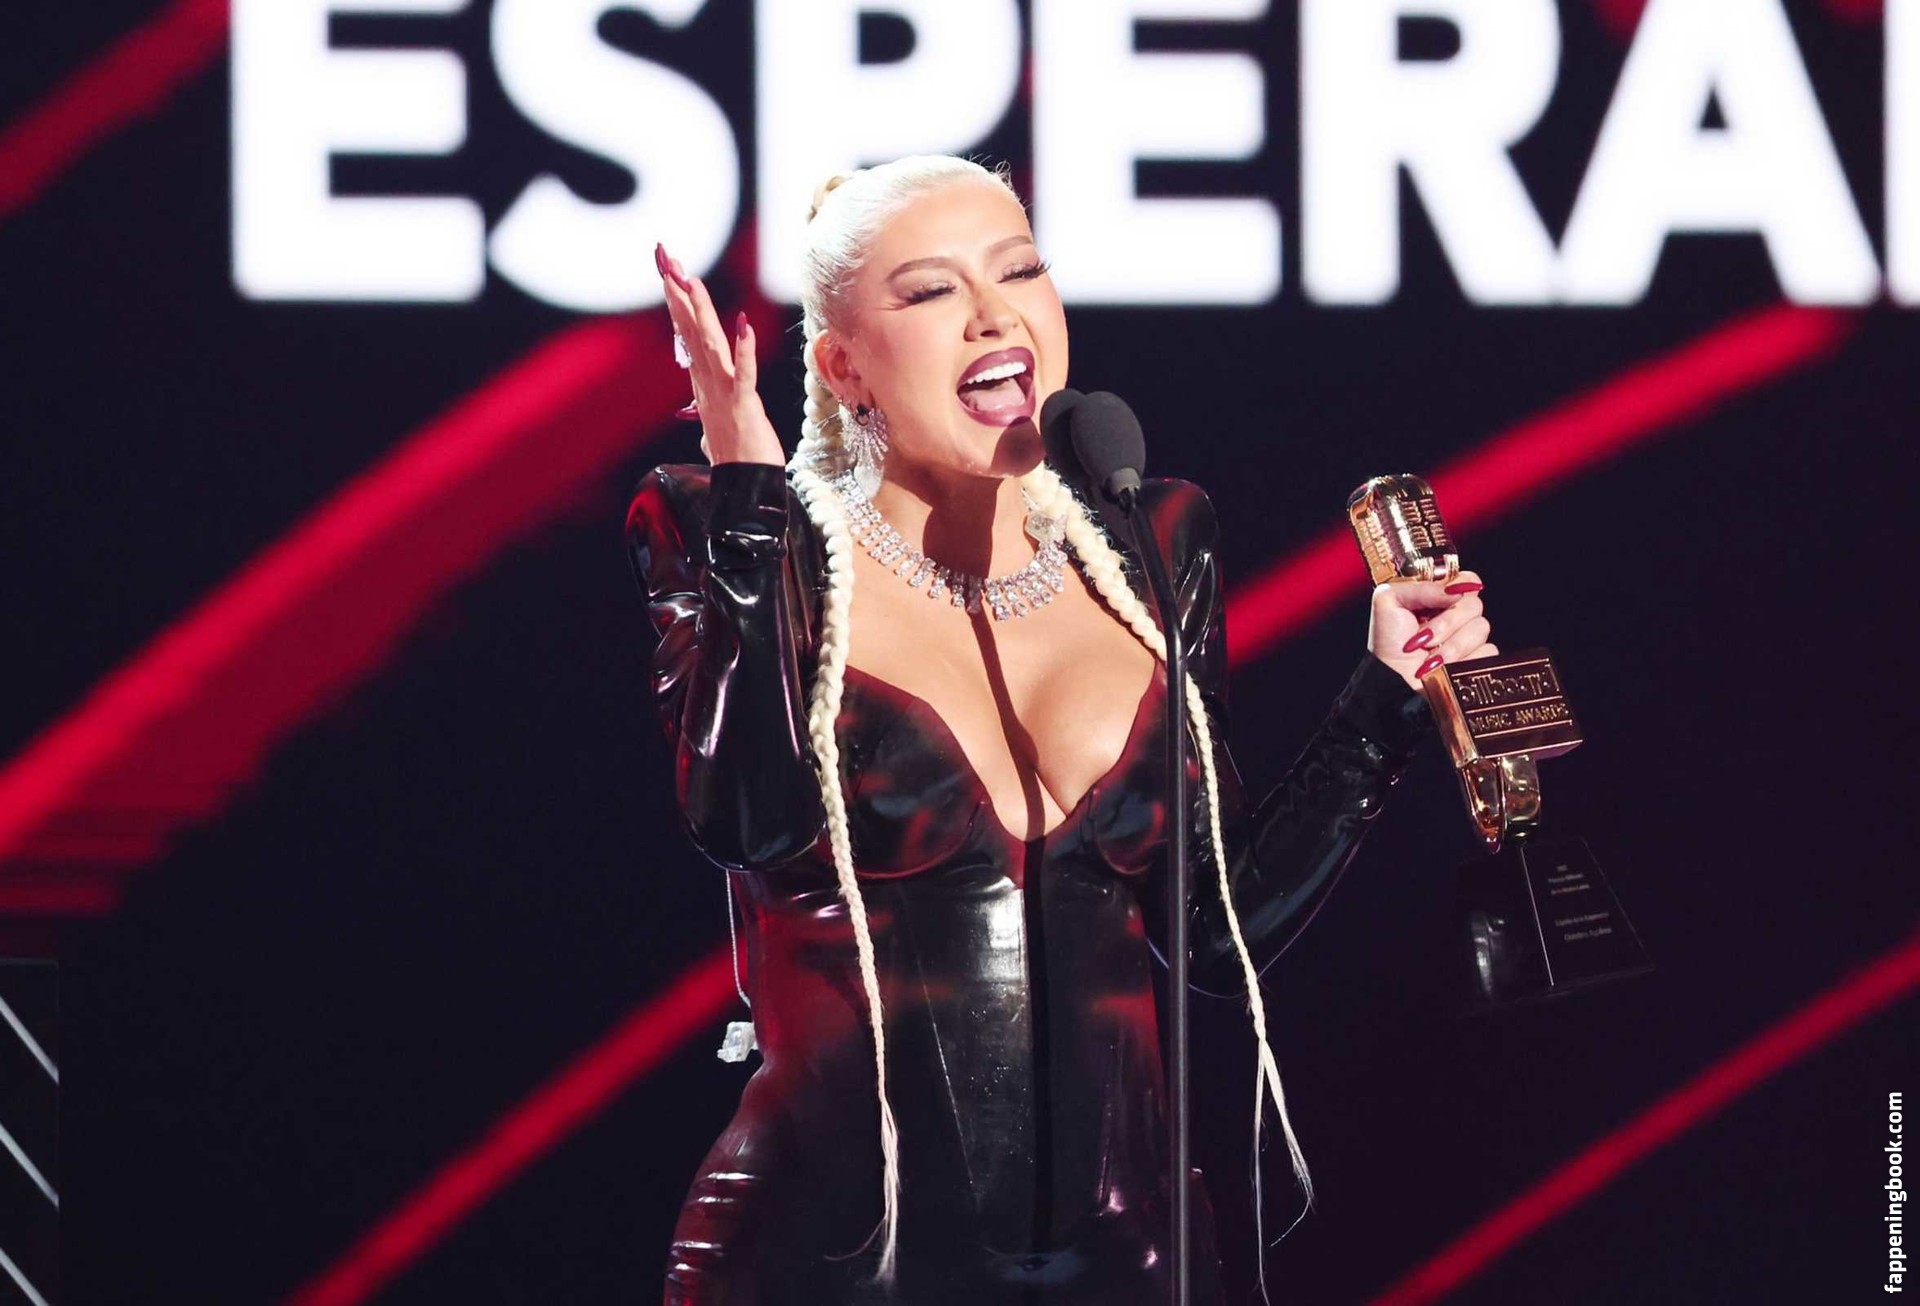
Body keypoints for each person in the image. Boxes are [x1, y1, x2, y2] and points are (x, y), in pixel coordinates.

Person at [626, 155, 1496, 1305]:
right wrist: (748, 495)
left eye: (1020, 270)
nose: (995, 314)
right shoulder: (751, 542)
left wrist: (1384, 697)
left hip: (1129, 1265)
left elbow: (1217, 929)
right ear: (842, 367)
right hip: (827, 1268)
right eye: (931, 290)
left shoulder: (1150, 547)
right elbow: (745, 818)